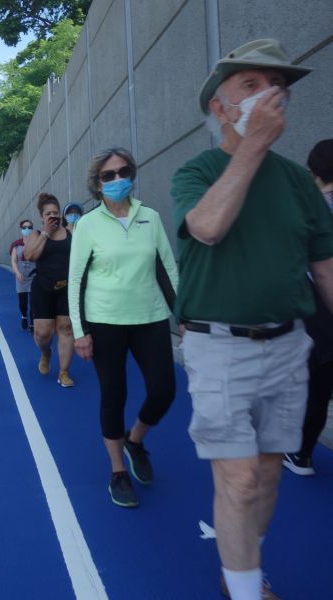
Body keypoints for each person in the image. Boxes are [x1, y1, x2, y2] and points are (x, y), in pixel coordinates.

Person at [171, 40, 333, 600]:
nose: (270, 95)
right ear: (220, 108)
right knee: (238, 479)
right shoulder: (197, 172)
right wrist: (252, 149)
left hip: (289, 345)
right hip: (218, 346)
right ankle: (243, 589)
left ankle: (241, 563)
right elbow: (208, 227)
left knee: (265, 475)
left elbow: (325, 266)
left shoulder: (298, 185)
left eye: (276, 85)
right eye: (251, 85)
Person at [68, 148, 178, 508]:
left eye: (123, 171)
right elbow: (77, 280)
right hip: (105, 321)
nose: (117, 180)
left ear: (133, 173)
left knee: (164, 391)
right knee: (113, 394)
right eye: (108, 175)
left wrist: (186, 317)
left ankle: (136, 440)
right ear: (97, 185)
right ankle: (118, 471)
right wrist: (81, 331)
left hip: (151, 317)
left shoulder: (150, 217)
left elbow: (166, 268)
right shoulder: (88, 225)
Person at [283, 139, 333, 476]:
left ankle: (300, 454)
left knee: (314, 384)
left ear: (312, 172)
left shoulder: (307, 208)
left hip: (317, 308)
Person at [24, 193, 75, 387]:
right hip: (43, 288)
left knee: (66, 328)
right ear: (42, 217)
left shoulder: (71, 231)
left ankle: (64, 372)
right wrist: (46, 232)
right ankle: (46, 352)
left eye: (55, 212)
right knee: (43, 334)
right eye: (48, 214)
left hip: (66, 288)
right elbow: (29, 255)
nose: (53, 216)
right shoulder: (36, 234)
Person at [10, 219, 37, 330]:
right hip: (21, 275)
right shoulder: (16, 245)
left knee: (34, 301)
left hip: (34, 275)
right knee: (23, 302)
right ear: (21, 229)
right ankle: (24, 316)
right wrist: (17, 272)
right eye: (24, 227)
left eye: (29, 227)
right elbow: (14, 261)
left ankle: (32, 323)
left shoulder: (37, 243)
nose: (27, 229)